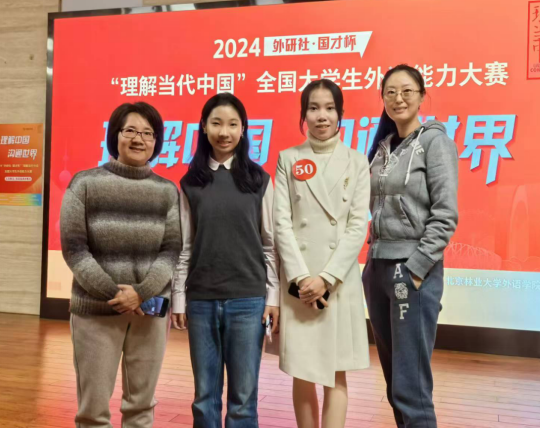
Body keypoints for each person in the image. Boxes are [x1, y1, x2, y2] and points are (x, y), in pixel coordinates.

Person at [60, 102, 181, 428]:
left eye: (148, 133)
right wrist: (116, 294)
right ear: (115, 135)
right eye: (130, 131)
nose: (139, 139)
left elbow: (171, 250)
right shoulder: (84, 184)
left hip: (150, 312)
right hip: (96, 312)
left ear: (157, 141)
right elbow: (75, 250)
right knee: (93, 412)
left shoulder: (167, 191)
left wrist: (140, 293)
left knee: (142, 408)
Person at [171, 93, 280, 428]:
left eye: (233, 124)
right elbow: (185, 247)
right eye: (216, 123)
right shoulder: (190, 183)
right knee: (204, 398)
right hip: (201, 301)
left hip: (248, 300)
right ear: (204, 127)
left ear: (243, 129)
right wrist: (179, 298)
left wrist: (273, 297)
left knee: (243, 401)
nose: (224, 132)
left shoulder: (259, 180)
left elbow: (270, 245)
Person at [363, 64, 459, 428]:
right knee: (394, 384)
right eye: (390, 92)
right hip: (377, 268)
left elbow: (445, 214)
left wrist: (416, 269)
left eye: (406, 91)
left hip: (411, 270)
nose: (398, 98)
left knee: (410, 386)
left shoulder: (435, 142)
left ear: (421, 95)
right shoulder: (382, 148)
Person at [274, 79, 370, 428]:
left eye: (330, 108)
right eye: (313, 108)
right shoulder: (288, 158)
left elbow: (357, 226)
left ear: (340, 114)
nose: (321, 116)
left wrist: (326, 278)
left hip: (338, 281)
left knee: (336, 371)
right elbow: (281, 223)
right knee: (302, 370)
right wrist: (302, 279)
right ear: (304, 114)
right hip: (300, 282)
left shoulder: (357, 161)